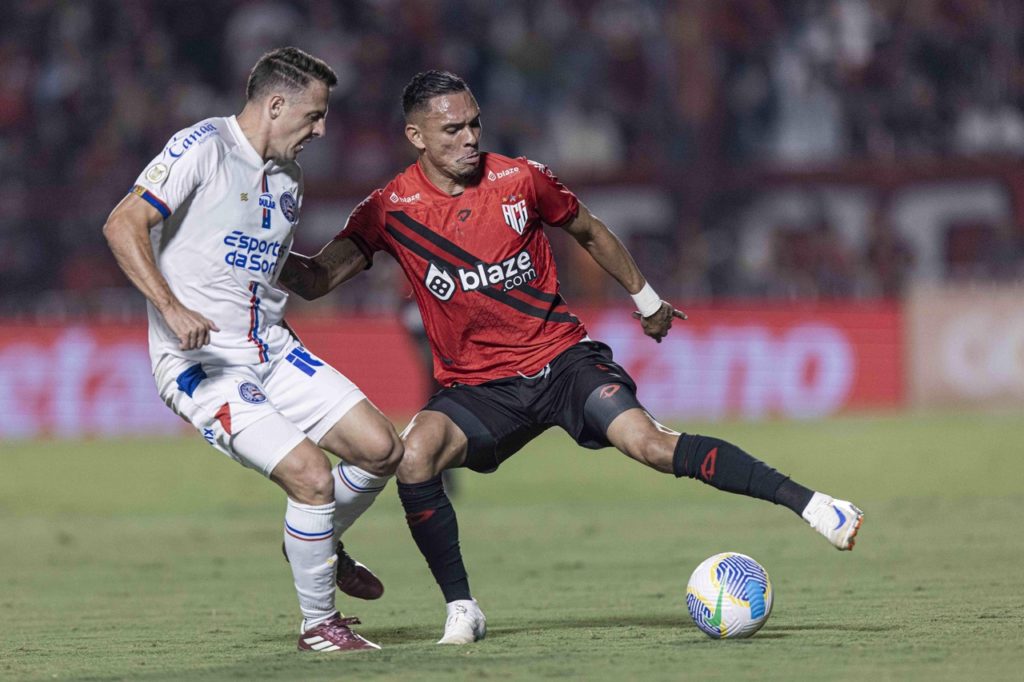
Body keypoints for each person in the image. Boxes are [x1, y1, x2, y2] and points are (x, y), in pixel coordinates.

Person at [279, 70, 864, 645]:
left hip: (562, 361)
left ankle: (813, 505)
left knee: (651, 445)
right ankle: (462, 608)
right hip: (481, 388)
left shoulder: (520, 179)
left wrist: (647, 298)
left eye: (475, 124)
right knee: (414, 456)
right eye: (453, 129)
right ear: (416, 137)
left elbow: (588, 229)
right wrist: (259, 248)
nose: (469, 138)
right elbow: (315, 280)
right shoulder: (391, 207)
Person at [102, 47, 403, 653]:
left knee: (381, 448)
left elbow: (295, 275)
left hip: (272, 347)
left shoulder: (289, 178)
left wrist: (375, 241)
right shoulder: (203, 146)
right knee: (312, 477)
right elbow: (122, 224)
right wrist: (171, 307)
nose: (321, 129)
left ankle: (312, 539)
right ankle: (319, 626)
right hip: (201, 364)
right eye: (314, 115)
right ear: (274, 104)